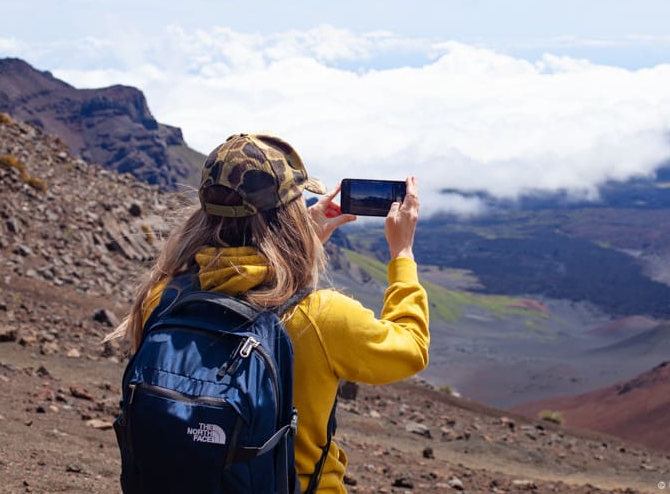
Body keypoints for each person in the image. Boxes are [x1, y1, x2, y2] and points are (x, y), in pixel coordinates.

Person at [108, 132, 430, 493]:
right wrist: (402, 254)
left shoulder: (162, 298)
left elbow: (245, 285)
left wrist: (300, 245)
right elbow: (411, 348)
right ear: (287, 216)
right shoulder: (319, 316)